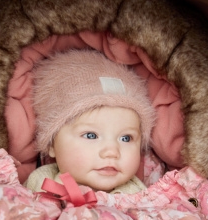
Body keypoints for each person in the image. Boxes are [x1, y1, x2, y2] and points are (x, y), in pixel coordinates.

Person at [25, 49, 156, 195]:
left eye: (126, 138)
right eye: (91, 135)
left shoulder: (139, 196)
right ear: (52, 145)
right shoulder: (40, 183)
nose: (111, 152)